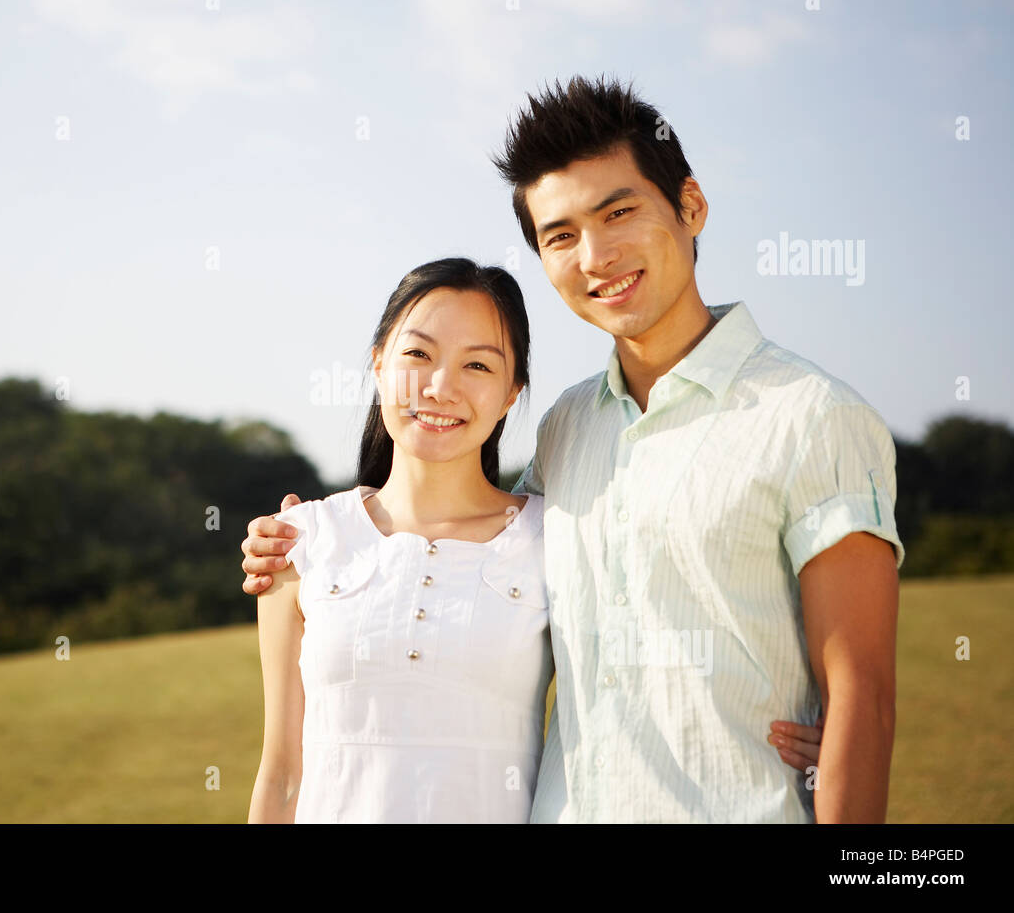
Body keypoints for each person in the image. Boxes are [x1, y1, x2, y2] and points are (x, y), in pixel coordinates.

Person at [244, 74, 894, 824]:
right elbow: (463, 539)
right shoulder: (569, 427)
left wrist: (844, 755)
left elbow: (863, 701)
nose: (595, 255)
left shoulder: (813, 416)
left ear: (691, 206)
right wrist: (307, 541)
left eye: (619, 212)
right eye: (560, 236)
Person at [246, 256, 823, 824]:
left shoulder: (555, 534)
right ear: (378, 365)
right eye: (418, 354)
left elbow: (663, 657)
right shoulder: (300, 540)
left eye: (478, 366)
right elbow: (281, 772)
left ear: (511, 393)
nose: (441, 387)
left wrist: (812, 733)